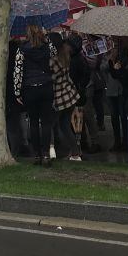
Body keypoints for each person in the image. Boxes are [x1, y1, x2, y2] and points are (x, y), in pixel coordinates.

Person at [13, 25, 56, 167]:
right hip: (45, 86)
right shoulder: (46, 47)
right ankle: (45, 154)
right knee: (46, 123)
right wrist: (47, 37)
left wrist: (17, 91)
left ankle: (36, 154)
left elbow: (18, 71)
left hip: (29, 88)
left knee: (33, 122)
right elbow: (54, 52)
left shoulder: (22, 49)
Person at [49, 33, 81, 161]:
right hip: (70, 95)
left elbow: (52, 78)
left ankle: (50, 152)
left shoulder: (53, 59)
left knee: (49, 124)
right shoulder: (65, 56)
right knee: (65, 126)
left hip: (59, 97)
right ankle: (75, 153)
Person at [96, 47, 125, 152]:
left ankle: (125, 141)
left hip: (121, 90)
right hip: (110, 90)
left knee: (123, 117)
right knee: (114, 117)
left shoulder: (122, 55)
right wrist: (110, 59)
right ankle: (117, 141)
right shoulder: (106, 55)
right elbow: (102, 68)